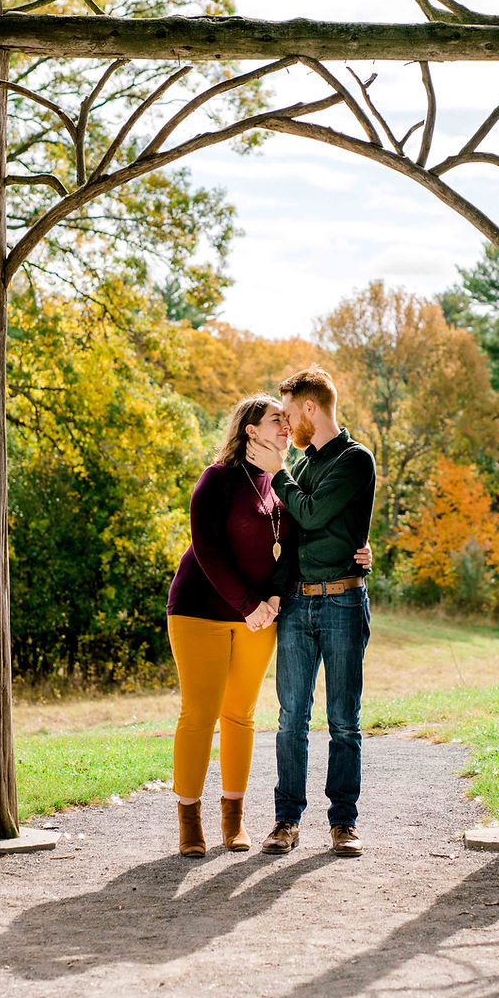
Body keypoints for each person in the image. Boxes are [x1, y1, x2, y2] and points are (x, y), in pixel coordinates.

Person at [166, 393, 370, 859]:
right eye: (276, 419)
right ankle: (189, 821)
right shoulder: (217, 478)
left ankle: (233, 819)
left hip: (260, 614)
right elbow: (206, 549)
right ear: (251, 430)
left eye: (286, 418)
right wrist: (248, 605)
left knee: (240, 715)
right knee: (199, 715)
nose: (286, 426)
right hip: (201, 610)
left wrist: (276, 596)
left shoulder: (283, 481)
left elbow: (296, 545)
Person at [247, 365, 376, 859]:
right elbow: (291, 531)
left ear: (309, 407)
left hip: (344, 600)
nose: (285, 425)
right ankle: (287, 821)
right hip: (299, 603)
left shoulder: (355, 459)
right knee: (291, 719)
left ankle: (344, 823)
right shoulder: (300, 469)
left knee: (344, 719)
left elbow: (313, 513)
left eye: (288, 413)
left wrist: (277, 472)